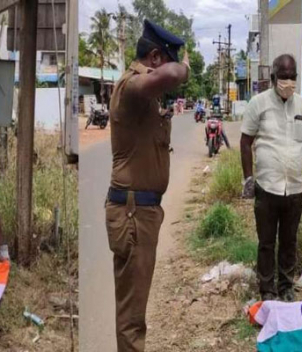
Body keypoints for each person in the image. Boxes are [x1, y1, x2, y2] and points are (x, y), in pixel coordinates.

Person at [106, 19, 190, 352]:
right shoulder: (132, 87)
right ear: (155, 57)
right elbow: (170, 76)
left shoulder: (142, 92)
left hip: (139, 213)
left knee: (134, 308)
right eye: (169, 58)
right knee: (131, 317)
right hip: (133, 216)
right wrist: (183, 68)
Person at [240, 54, 302, 302]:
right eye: (283, 76)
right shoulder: (258, 103)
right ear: (274, 77)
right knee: (266, 242)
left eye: (292, 76)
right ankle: (267, 290)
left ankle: (286, 287)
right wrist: (248, 178)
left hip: (295, 188)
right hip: (266, 187)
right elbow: (245, 142)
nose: (288, 81)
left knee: (289, 242)